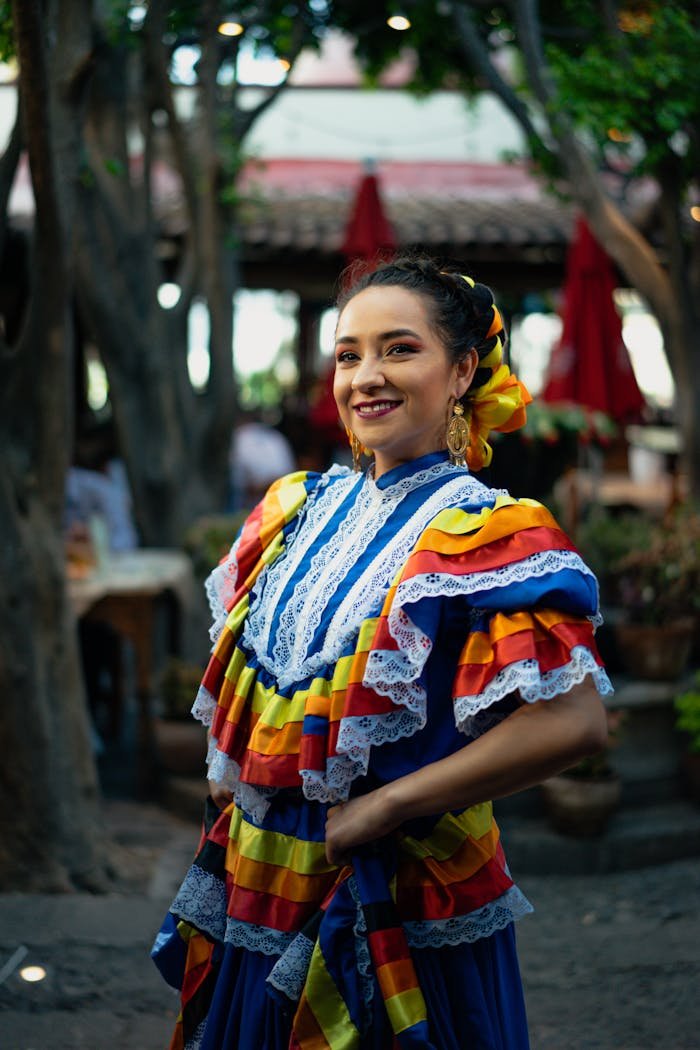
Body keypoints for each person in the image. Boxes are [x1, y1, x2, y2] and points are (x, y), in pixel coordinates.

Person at [152, 257, 611, 1050]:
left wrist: (388, 805)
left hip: (398, 902)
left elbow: (573, 725)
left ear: (463, 369)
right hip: (258, 889)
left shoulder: (487, 533)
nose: (367, 376)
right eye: (349, 354)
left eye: (400, 349)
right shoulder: (293, 508)